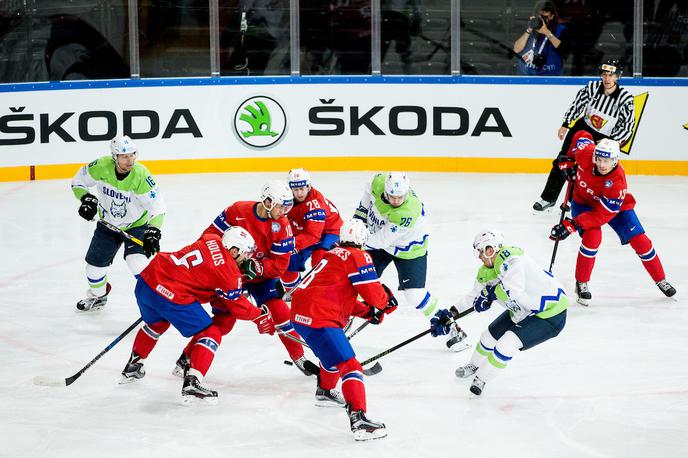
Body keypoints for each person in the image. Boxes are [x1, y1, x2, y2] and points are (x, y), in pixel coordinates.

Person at [119, 227, 275, 405]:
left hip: (147, 280)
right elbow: (239, 307)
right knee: (212, 334)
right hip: (171, 294)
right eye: (245, 254)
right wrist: (260, 315)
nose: (247, 258)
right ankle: (192, 382)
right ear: (233, 250)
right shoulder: (228, 273)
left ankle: (133, 365)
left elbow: (205, 270)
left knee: (157, 325)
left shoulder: (212, 238)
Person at [290, 218, 398, 441]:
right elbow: (373, 293)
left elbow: (336, 295)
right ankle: (359, 420)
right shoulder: (358, 256)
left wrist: (368, 313)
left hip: (301, 314)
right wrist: (385, 302)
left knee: (330, 357)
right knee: (350, 365)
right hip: (320, 317)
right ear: (362, 240)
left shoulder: (332, 255)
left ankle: (325, 391)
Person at [199, 180, 317, 375]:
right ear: (268, 201)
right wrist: (221, 265)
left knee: (280, 311)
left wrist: (257, 266)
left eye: (287, 207)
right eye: (280, 206)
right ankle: (187, 357)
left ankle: (299, 357)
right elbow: (208, 237)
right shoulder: (236, 211)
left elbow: (280, 266)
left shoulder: (283, 226)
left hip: (261, 277)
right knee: (224, 323)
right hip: (229, 274)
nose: (283, 212)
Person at [430, 229, 568, 396]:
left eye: (480, 252)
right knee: (487, 337)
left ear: (490, 250)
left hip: (549, 313)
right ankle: (474, 365)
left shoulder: (511, 259)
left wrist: (491, 294)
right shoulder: (486, 270)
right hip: (523, 309)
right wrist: (452, 313)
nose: (479, 257)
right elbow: (475, 296)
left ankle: (482, 379)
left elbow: (514, 290)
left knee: (507, 344)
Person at [549, 134, 677, 305]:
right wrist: (568, 160)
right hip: (584, 203)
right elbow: (581, 136)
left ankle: (661, 279)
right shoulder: (586, 153)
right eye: (599, 159)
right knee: (592, 238)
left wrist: (573, 224)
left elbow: (602, 215)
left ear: (615, 160)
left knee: (641, 241)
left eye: (607, 161)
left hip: (611, 209)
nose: (602, 164)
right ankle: (581, 283)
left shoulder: (617, 182)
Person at [353, 172, 467, 351]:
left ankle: (452, 326)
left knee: (414, 295)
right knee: (357, 280)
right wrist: (358, 220)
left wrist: (353, 239)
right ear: (385, 190)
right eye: (392, 196)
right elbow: (367, 197)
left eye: (401, 197)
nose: (397, 200)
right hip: (381, 239)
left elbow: (380, 241)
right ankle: (339, 320)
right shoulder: (378, 182)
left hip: (409, 249)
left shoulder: (407, 211)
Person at [71, 135, 166, 312]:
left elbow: (158, 208)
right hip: (108, 225)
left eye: (132, 155)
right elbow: (78, 181)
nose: (130, 160)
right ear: (115, 157)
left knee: (137, 262)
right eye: (124, 156)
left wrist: (153, 230)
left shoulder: (142, 176)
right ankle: (99, 297)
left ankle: (159, 301)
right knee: (93, 269)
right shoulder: (100, 166)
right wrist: (85, 198)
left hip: (136, 225)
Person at [533, 59, 635, 212]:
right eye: (604, 74)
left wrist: (609, 141)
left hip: (603, 138)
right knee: (563, 161)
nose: (607, 78)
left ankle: (577, 202)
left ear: (618, 77)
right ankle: (548, 198)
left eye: (611, 75)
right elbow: (577, 105)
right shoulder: (592, 87)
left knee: (588, 170)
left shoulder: (625, 99)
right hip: (582, 129)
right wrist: (566, 124)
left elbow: (627, 126)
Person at [280, 168, 343, 293]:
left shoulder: (315, 205)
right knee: (288, 263)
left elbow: (312, 236)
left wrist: (290, 244)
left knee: (320, 263)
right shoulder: (286, 197)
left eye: (302, 188)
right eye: (296, 189)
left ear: (308, 186)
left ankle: (323, 293)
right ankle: (295, 293)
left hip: (329, 232)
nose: (299, 193)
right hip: (305, 230)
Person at [513, 1, 570, 76]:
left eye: (545, 17)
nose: (543, 20)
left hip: (551, 77)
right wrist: (529, 29)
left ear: (552, 16)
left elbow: (565, 51)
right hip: (526, 75)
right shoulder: (528, 27)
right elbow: (516, 49)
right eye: (540, 17)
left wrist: (546, 32)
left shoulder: (561, 30)